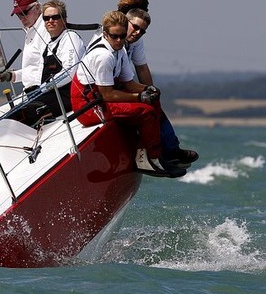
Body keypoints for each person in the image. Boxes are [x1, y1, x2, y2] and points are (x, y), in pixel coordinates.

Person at [71, 10, 185, 178]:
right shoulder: (103, 56)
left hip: (100, 98)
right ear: (105, 34)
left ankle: (163, 153)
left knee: (153, 99)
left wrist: (147, 90)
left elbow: (129, 83)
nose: (118, 40)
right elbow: (108, 94)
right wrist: (139, 97)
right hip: (87, 106)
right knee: (144, 111)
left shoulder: (121, 50)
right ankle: (149, 160)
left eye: (122, 36)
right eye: (114, 36)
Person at [118, 0, 198, 167]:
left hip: (122, 85)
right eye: (135, 19)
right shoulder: (114, 36)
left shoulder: (135, 39)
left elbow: (142, 68)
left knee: (153, 101)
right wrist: (143, 95)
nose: (138, 29)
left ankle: (171, 149)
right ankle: (152, 154)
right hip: (109, 89)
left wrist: (151, 92)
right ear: (125, 14)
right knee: (145, 108)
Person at [0, 0, 84, 125]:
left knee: (19, 119)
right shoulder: (36, 35)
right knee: (7, 121)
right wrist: (12, 76)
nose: (49, 21)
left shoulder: (59, 35)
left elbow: (69, 72)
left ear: (37, 8)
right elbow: (36, 68)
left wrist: (42, 89)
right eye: (18, 14)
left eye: (24, 12)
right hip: (40, 93)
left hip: (54, 93)